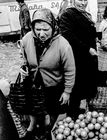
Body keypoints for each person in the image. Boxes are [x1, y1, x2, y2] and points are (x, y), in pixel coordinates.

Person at [19, 8, 75, 140]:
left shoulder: (63, 44)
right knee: (34, 107)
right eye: (37, 29)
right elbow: (23, 57)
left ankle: (49, 129)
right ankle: (33, 127)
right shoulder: (27, 38)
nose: (41, 33)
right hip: (34, 83)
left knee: (53, 109)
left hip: (54, 85)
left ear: (53, 26)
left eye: (45, 29)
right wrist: (23, 67)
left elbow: (70, 70)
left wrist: (67, 91)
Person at [58, 0, 98, 120]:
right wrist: (87, 49)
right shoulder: (67, 14)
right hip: (76, 59)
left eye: (85, 0)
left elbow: (85, 32)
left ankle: (81, 113)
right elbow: (68, 36)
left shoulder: (84, 14)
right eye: (80, 0)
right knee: (76, 90)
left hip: (87, 60)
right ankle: (72, 118)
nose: (83, 3)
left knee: (84, 89)